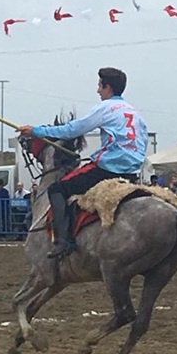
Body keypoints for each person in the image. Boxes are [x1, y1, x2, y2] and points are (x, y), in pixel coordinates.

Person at [16, 67, 148, 258]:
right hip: (132, 171)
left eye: (99, 86)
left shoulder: (105, 108)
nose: (97, 90)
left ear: (107, 87)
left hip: (108, 168)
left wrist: (36, 131)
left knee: (57, 190)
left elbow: (72, 130)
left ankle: (63, 241)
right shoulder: (135, 113)